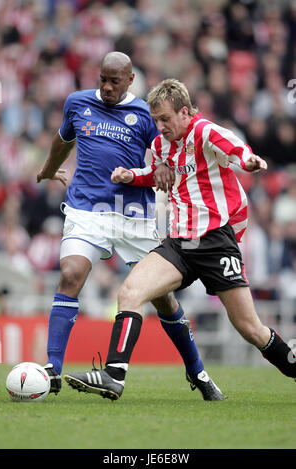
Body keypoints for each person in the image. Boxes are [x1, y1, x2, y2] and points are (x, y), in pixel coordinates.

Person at [65, 78, 296, 400]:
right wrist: (133, 175)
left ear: (185, 112)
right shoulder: (160, 146)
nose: (159, 127)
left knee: (250, 329)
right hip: (180, 243)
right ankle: (114, 376)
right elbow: (161, 175)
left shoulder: (204, 131)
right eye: (155, 120)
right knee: (130, 292)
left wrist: (249, 161)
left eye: (165, 119)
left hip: (215, 241)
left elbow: (235, 148)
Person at [37, 54, 223, 401]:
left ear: (131, 79)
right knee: (70, 273)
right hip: (87, 210)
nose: (107, 87)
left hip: (134, 215)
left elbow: (171, 149)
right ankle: (52, 369)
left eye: (115, 81)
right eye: (103, 79)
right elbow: (63, 140)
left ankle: (197, 371)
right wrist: (49, 170)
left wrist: (167, 169)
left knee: (164, 299)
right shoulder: (77, 103)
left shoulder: (144, 115)